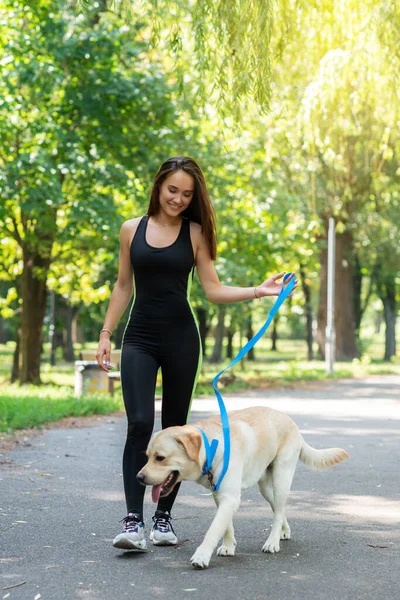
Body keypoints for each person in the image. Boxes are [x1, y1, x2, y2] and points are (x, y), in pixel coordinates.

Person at [96, 155, 297, 551]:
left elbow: (212, 289)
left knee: (176, 428)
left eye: (187, 194)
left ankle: (164, 520)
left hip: (181, 340)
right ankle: (133, 521)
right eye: (173, 190)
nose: (179, 199)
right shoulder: (130, 230)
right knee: (138, 423)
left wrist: (258, 290)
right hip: (138, 337)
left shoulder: (195, 233)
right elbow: (123, 286)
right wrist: (106, 333)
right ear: (158, 186)